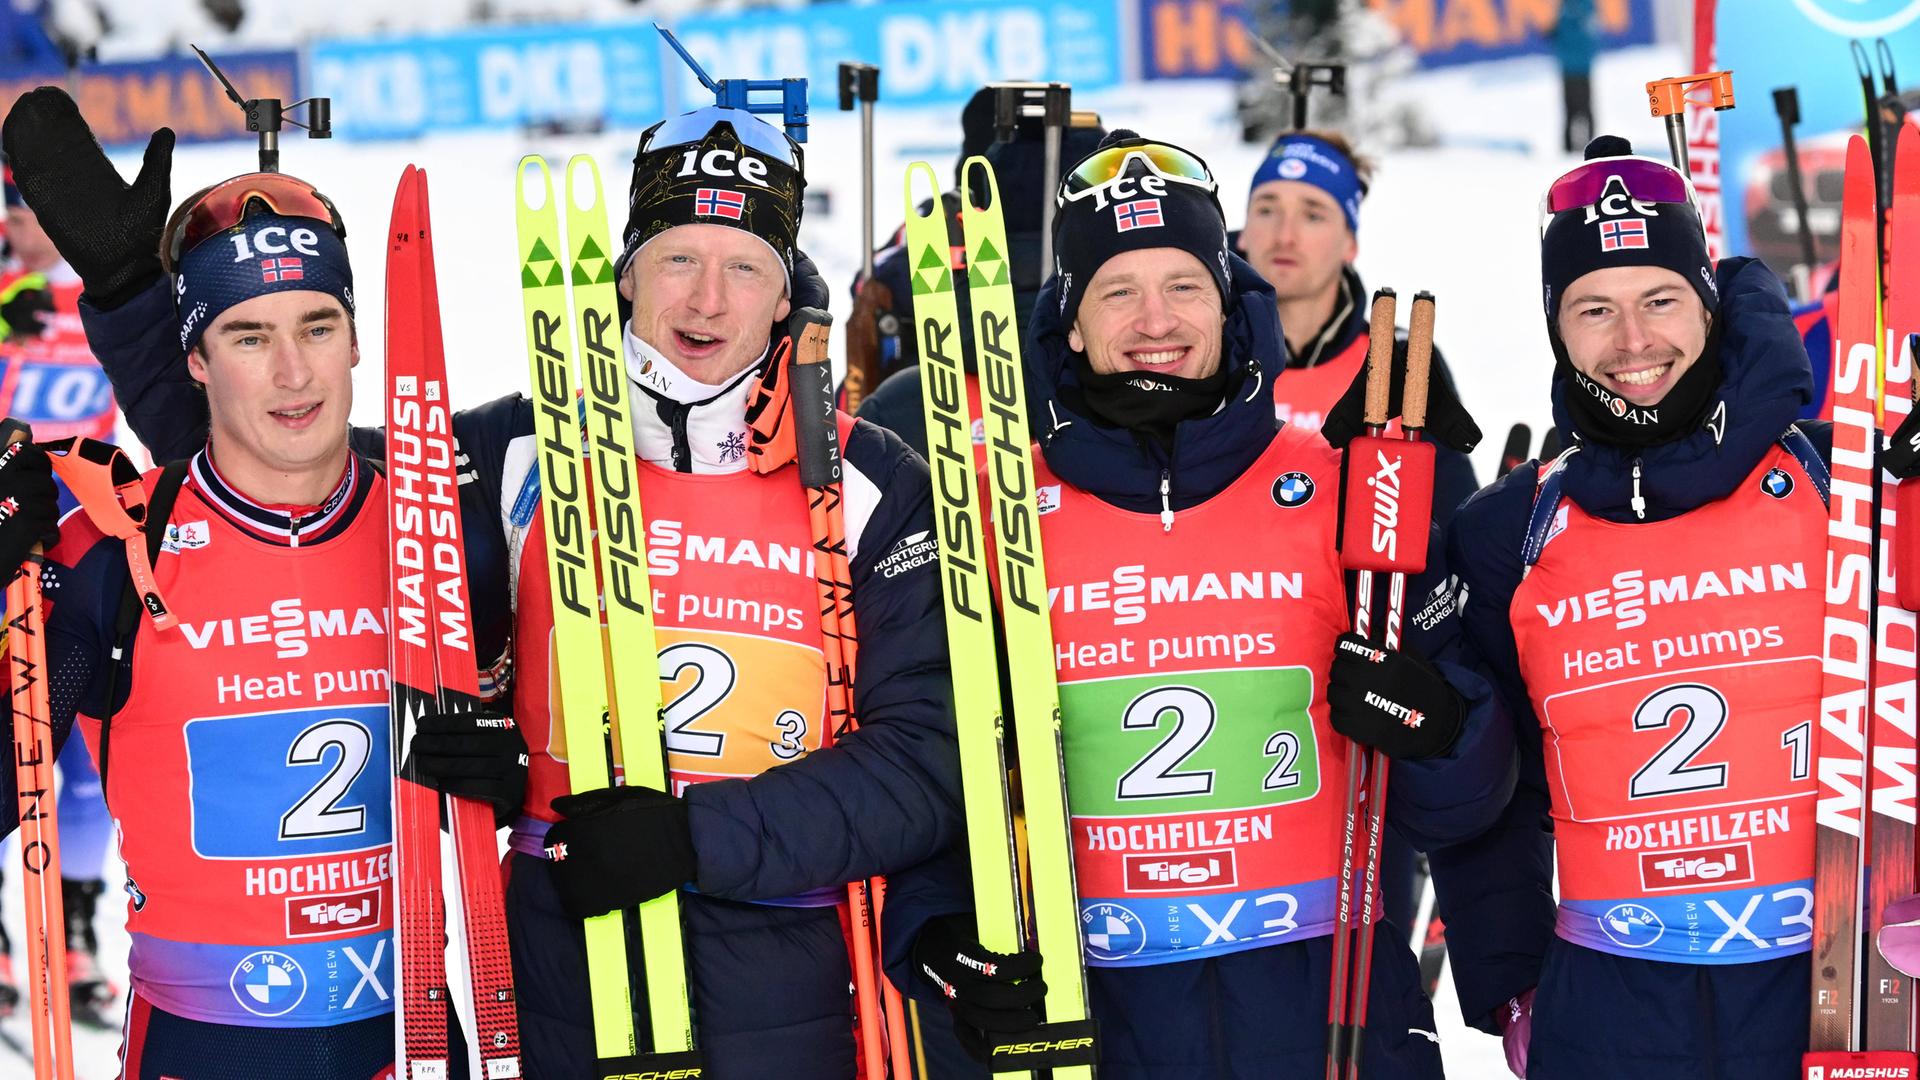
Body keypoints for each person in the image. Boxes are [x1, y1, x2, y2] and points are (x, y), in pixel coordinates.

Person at [6, 86, 958, 1079]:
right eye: (678, 259)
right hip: (564, 993)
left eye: (744, 267)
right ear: (628, 273)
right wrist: (134, 304)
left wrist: (694, 838)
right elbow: (279, 467)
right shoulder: (515, 454)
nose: (707, 300)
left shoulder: (868, 479)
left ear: (784, 290)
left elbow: (931, 763)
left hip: (796, 993)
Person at [882, 130, 1514, 1079]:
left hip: (1328, 1016)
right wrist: (935, 929)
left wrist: (1444, 729)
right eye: (1116, 290)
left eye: (1182, 285)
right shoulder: (995, 504)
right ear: (1073, 322)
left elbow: (1473, 800)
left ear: (1228, 302)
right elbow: (940, 757)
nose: (1153, 319)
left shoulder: (1346, 487)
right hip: (1094, 1016)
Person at [0, 149, 522, 1073]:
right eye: (248, 337)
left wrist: (511, 764)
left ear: (357, 339)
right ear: (194, 360)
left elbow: (541, 761)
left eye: (318, 326)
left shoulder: (444, 533)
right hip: (201, 1044)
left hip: (411, 1036)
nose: (293, 372)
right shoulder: (113, 554)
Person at [1435, 135, 1832, 1078]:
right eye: (1593, 310)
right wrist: (1512, 985)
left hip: (1840, 993)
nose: (1634, 341)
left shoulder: (1839, 479)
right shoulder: (1509, 529)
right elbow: (1493, 802)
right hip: (1611, 1007)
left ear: (1709, 302)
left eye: (1660, 300)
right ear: (1556, 329)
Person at [0, 162, 124, 1027]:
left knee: (78, 750)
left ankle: (74, 929)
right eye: (14, 211)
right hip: (1, 540)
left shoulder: (106, 299)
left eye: (41, 210)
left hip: (81, 543)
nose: (27, 227)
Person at [1236, 129, 1479, 524]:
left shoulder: (1400, 362)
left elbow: (1453, 527)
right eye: (1266, 209)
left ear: (1350, 243)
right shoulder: (1203, 358)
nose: (1284, 235)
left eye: (1313, 214)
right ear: (1243, 231)